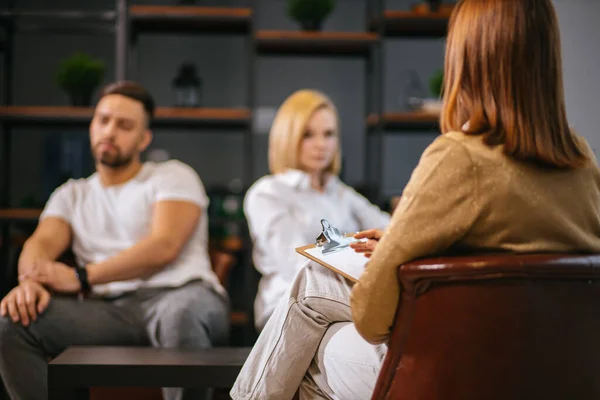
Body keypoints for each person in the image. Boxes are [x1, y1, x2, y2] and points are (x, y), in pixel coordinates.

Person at [231, 0, 600, 398]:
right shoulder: (582, 163)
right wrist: (398, 244)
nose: (321, 144)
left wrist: (393, 252)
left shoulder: (458, 156)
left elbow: (372, 317)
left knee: (311, 328)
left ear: (465, 60)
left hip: (461, 364)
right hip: (553, 363)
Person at [0, 81, 229, 400]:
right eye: (103, 120)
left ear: (143, 138)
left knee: (182, 316)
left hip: (181, 295)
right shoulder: (71, 194)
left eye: (124, 125)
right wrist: (30, 282)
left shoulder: (172, 175)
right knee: (13, 322)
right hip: (106, 312)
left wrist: (82, 276)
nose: (109, 131)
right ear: (92, 125)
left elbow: (164, 246)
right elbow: (40, 244)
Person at [243, 89, 390, 331]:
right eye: (308, 135)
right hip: (288, 307)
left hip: (348, 300)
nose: (321, 145)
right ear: (288, 138)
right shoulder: (268, 193)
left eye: (329, 134)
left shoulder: (340, 192)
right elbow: (297, 265)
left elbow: (392, 232)